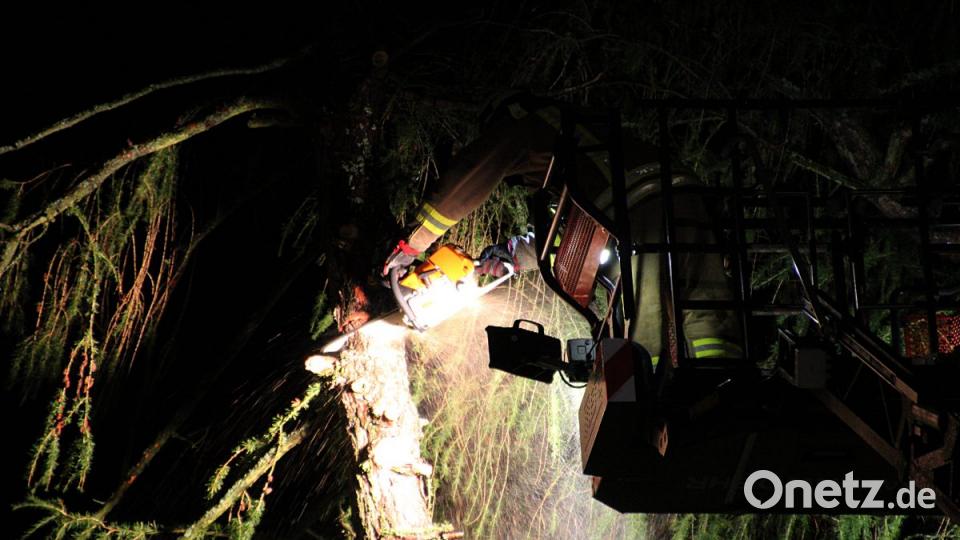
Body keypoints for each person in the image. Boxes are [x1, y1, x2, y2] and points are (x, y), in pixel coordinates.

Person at [383, 91, 742, 368]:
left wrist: (413, 243)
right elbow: (571, 234)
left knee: (645, 318)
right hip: (687, 195)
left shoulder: (521, 127)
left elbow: (474, 172)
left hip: (640, 204)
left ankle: (648, 411)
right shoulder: (577, 147)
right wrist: (510, 256)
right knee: (704, 300)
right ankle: (720, 381)